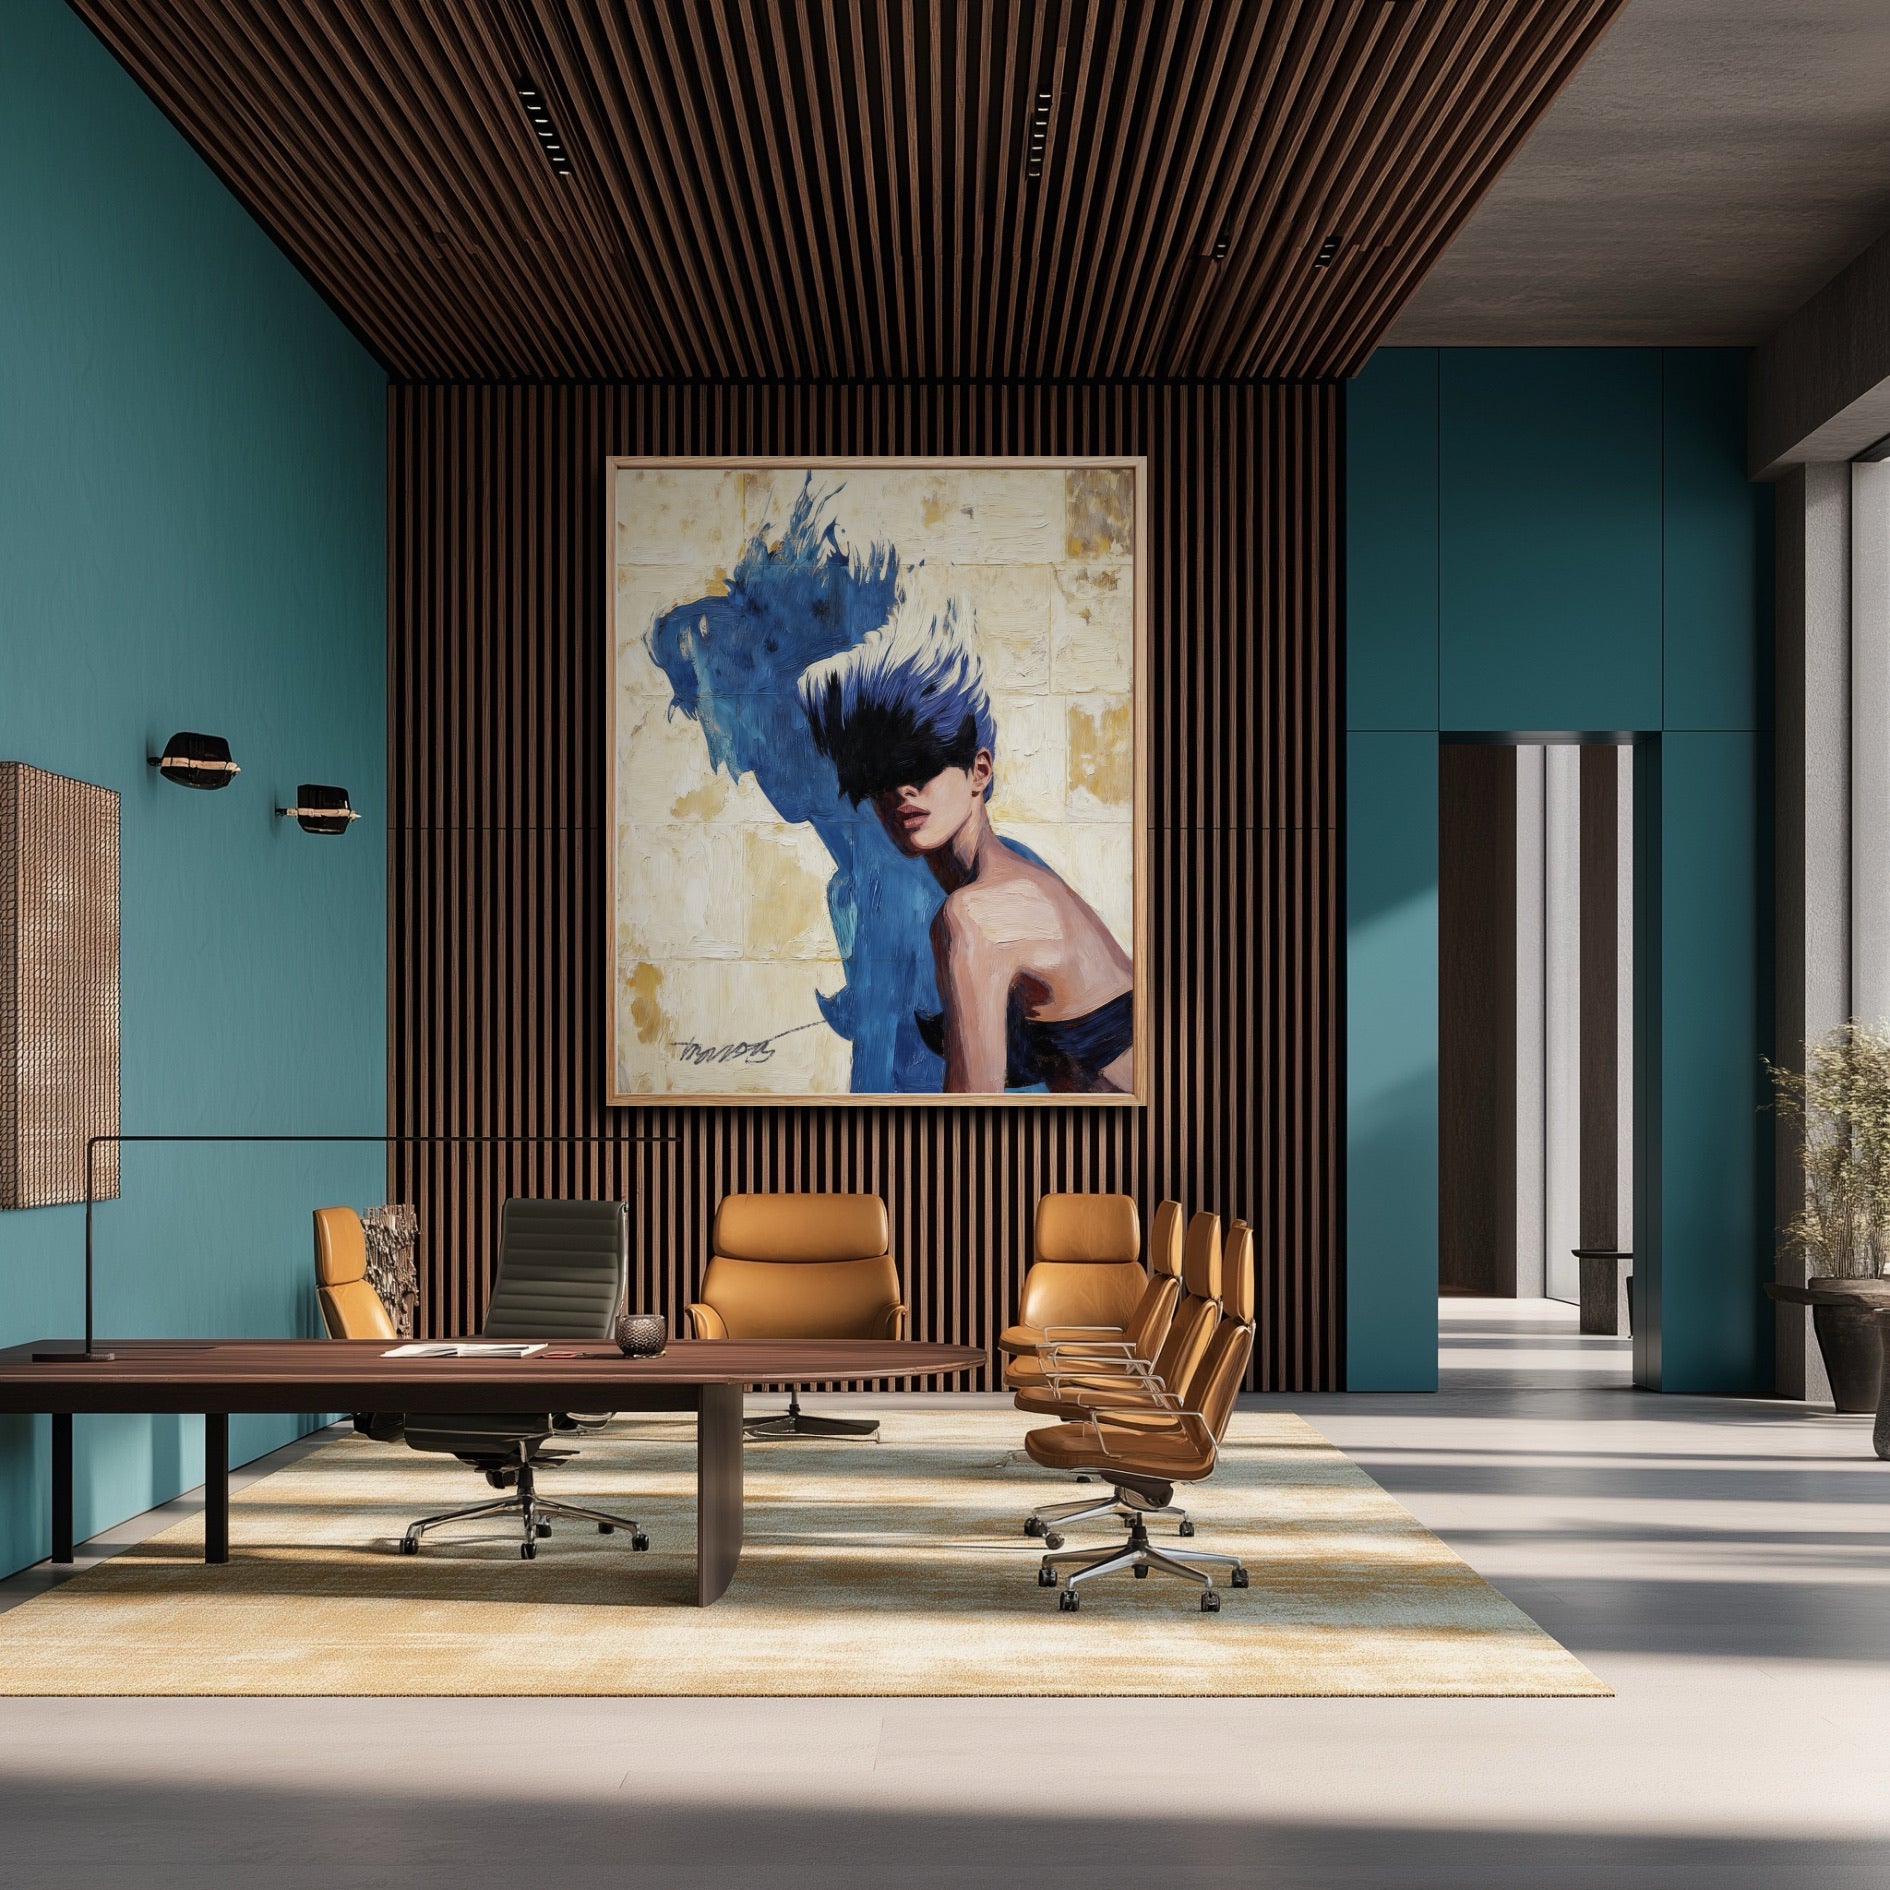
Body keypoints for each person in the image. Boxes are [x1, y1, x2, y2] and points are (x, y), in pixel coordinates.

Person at [800, 602, 1134, 1094]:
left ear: (980, 770)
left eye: (918, 766)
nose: (899, 792)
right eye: (877, 779)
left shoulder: (976, 915)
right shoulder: (1018, 882)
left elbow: (969, 1121)